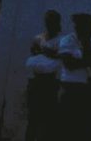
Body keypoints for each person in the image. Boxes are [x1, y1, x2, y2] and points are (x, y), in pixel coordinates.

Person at [57, 14, 91, 141]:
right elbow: (69, 64)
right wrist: (88, 60)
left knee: (86, 129)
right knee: (69, 128)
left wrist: (86, 59)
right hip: (70, 89)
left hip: (87, 89)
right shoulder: (67, 41)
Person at [25, 10, 64, 141]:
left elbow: (58, 56)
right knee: (33, 119)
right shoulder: (38, 38)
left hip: (50, 83)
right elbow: (34, 55)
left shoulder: (60, 41)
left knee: (48, 120)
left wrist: (45, 51)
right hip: (36, 81)